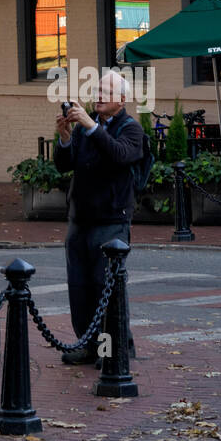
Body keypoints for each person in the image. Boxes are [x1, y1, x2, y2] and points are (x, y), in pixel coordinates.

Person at [54, 68, 144, 365]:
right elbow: (64, 166)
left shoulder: (130, 128)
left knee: (107, 287)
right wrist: (66, 138)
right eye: (97, 91)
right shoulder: (83, 128)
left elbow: (119, 155)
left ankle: (116, 348)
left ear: (121, 98)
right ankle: (88, 345)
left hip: (111, 221)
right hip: (80, 218)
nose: (99, 97)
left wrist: (91, 126)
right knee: (79, 287)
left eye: (105, 92)